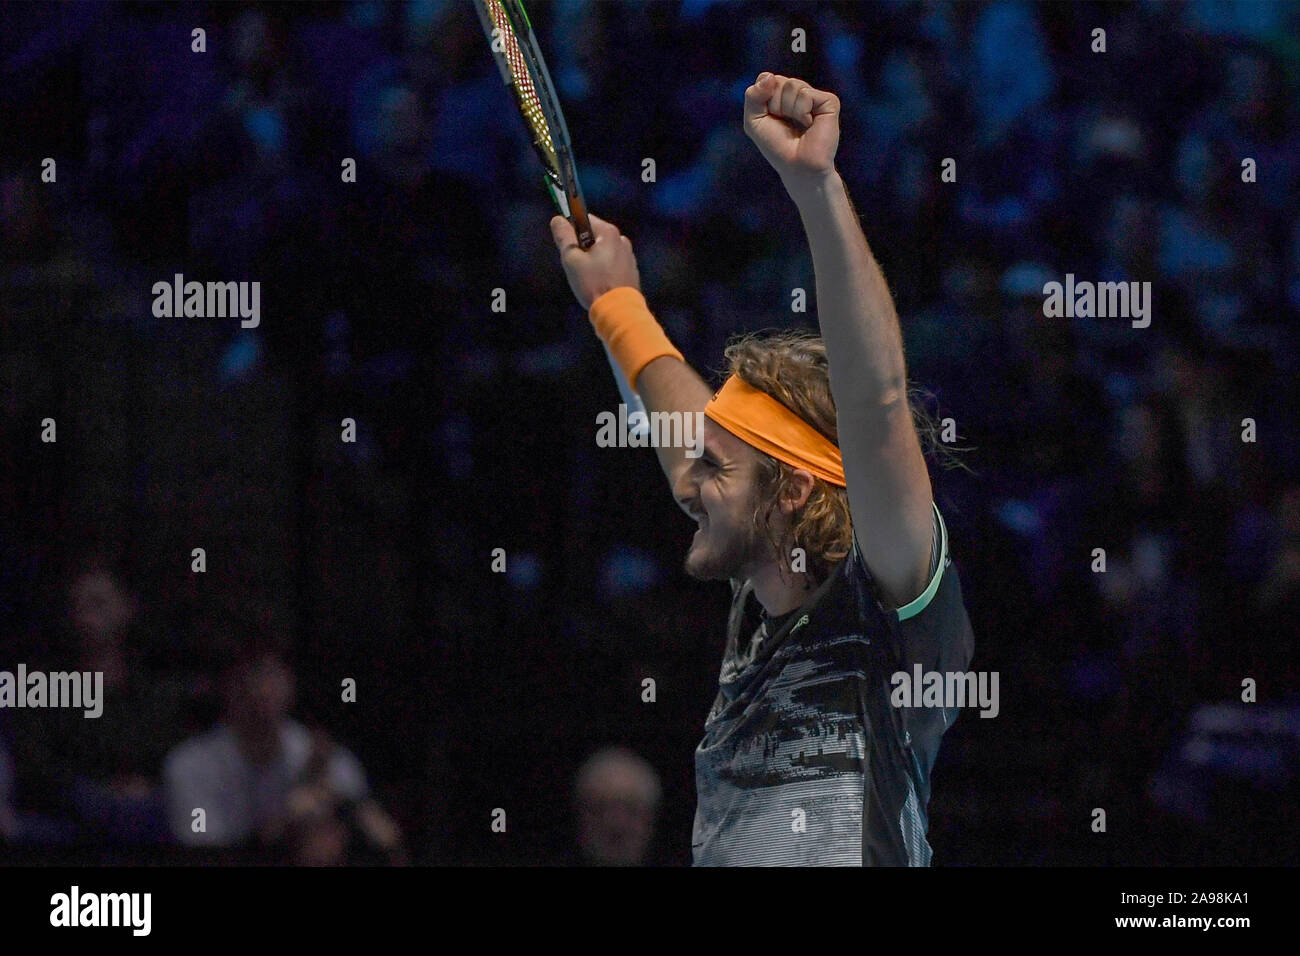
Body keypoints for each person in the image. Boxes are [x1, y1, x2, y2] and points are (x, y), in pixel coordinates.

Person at [550, 73, 975, 865]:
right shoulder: (761, 602)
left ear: (796, 487)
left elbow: (877, 406)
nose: (687, 485)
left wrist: (815, 187)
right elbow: (681, 425)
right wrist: (617, 306)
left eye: (714, 470)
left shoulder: (887, 608)